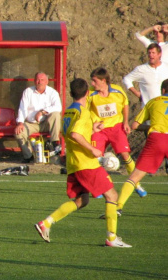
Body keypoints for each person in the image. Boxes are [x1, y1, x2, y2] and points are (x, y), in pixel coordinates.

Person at [34, 78, 131, 248]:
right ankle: (112, 237)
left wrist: (92, 130)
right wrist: (93, 150)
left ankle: (46, 223)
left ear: (71, 94)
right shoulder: (84, 112)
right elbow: (75, 135)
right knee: (112, 196)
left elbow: (69, 132)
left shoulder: (69, 112)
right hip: (87, 163)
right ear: (87, 93)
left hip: (73, 164)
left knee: (82, 200)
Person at [87, 67, 146, 198]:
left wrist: (125, 122)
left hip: (116, 128)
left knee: (125, 155)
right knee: (94, 158)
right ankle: (97, 189)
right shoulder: (90, 94)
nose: (92, 84)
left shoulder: (117, 91)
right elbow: (84, 109)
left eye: (94, 81)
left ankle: (136, 185)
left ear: (103, 81)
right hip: (100, 130)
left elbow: (125, 104)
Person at [116, 79, 168, 214]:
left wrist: (152, 126)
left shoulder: (154, 101)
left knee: (134, 177)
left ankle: (118, 207)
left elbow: (134, 125)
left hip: (156, 139)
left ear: (163, 90)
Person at [15, 72, 62, 163]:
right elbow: (22, 109)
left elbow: (58, 107)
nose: (39, 82)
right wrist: (20, 123)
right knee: (18, 132)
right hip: (31, 123)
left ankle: (54, 144)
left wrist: (42, 111)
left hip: (46, 123)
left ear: (47, 82)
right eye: (37, 80)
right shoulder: (28, 91)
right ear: (34, 81)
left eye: (42, 80)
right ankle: (29, 157)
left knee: (56, 114)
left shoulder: (53, 93)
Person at [123, 43, 168, 107]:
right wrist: (137, 93)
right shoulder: (141, 69)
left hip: (164, 107)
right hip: (148, 107)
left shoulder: (166, 67)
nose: (151, 55)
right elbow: (126, 79)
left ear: (159, 54)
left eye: (153, 53)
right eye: (149, 53)